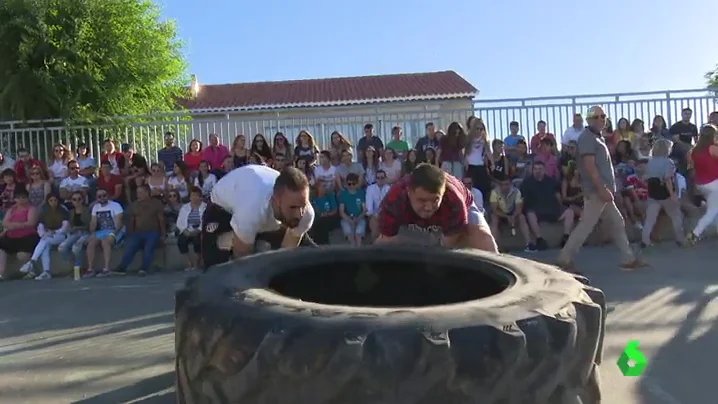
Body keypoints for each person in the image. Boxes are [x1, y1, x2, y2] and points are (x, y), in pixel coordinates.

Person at [557, 106, 648, 272]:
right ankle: (565, 258)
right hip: (597, 190)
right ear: (589, 119)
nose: (601, 119)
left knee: (617, 222)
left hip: (602, 190)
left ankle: (628, 259)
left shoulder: (596, 137)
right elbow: (589, 166)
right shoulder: (587, 138)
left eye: (603, 116)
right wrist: (601, 188)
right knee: (586, 225)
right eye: (597, 116)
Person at [200, 165, 316, 269]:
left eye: (303, 206)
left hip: (267, 218)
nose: (299, 214)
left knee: (309, 257)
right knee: (214, 271)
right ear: (275, 201)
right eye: (293, 208)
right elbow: (241, 261)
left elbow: (285, 256)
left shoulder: (306, 214)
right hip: (223, 210)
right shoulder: (251, 209)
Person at [375, 163, 497, 252]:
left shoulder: (453, 201)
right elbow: (386, 239)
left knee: (483, 236)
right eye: (422, 200)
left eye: (435, 200)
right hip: (409, 222)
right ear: (409, 192)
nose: (428, 207)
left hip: (461, 207)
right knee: (382, 247)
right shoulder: (394, 200)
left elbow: (450, 245)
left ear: (443, 194)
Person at [687, 124, 718, 243]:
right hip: (714, 182)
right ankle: (695, 233)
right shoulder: (713, 148)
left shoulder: (693, 151)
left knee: (714, 208)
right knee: (713, 211)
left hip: (701, 184)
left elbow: (691, 169)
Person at [176, 186, 206, 270]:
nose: (194, 197)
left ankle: (196, 264)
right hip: (187, 230)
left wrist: (198, 230)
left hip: (199, 230)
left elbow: (205, 221)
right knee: (181, 241)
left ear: (200, 197)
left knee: (198, 241)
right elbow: (179, 222)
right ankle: (189, 263)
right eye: (192, 195)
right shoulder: (185, 207)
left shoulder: (205, 207)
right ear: (189, 197)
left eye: (197, 195)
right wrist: (184, 230)